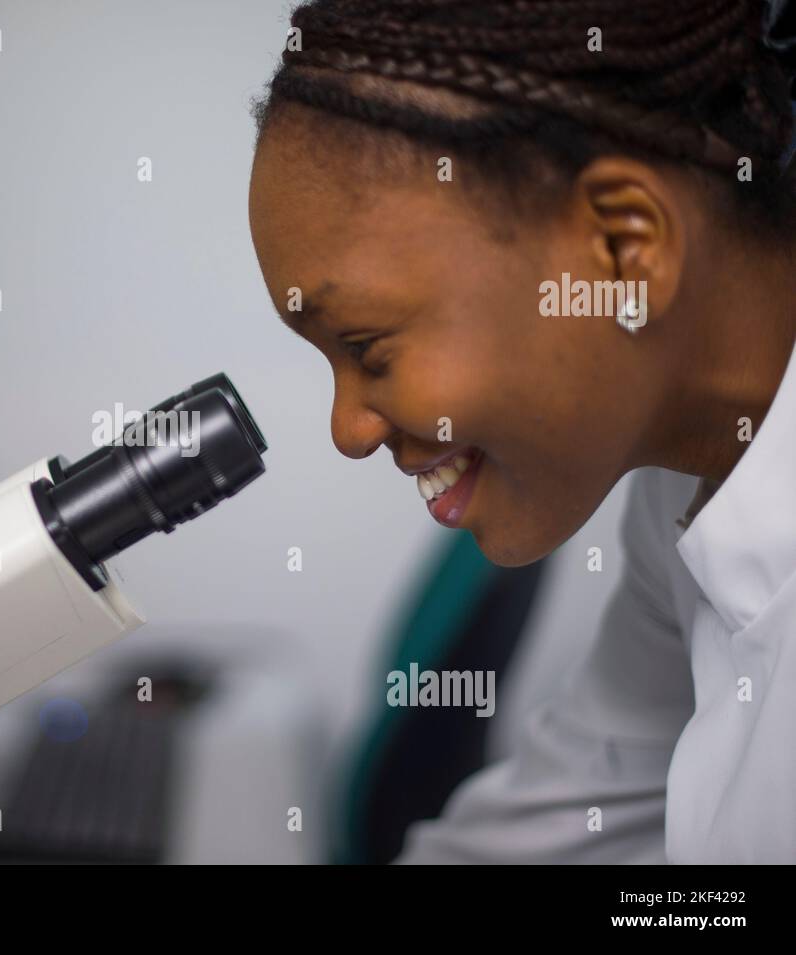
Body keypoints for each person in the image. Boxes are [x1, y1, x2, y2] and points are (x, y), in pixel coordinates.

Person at [247, 0, 796, 862]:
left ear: (623, 246)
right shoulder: (682, 490)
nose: (348, 430)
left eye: (366, 346)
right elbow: (560, 818)